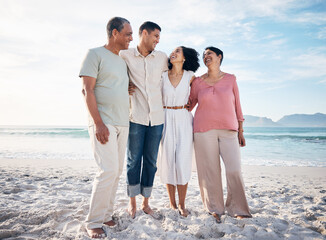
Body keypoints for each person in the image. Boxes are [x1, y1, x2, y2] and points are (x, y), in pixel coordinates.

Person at [79, 17, 133, 238]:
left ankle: (107, 215)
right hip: (104, 122)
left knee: (117, 172)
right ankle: (93, 221)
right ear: (114, 33)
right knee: (107, 171)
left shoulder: (122, 61)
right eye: (128, 34)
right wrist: (99, 123)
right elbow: (87, 90)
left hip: (123, 121)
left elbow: (118, 86)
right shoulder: (94, 54)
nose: (131, 38)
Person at [189, 46, 252, 223]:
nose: (206, 56)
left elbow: (237, 105)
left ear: (219, 57)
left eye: (209, 53)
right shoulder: (197, 82)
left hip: (229, 130)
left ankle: (238, 208)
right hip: (203, 130)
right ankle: (214, 208)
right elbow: (188, 104)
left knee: (234, 169)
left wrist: (241, 129)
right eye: (204, 55)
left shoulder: (231, 79)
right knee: (210, 171)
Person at [119, 21, 168, 219]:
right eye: (155, 36)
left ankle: (146, 203)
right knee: (133, 161)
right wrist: (124, 85)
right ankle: (132, 203)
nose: (158, 40)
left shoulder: (163, 57)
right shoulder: (125, 55)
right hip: (136, 116)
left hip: (157, 118)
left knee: (151, 162)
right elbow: (113, 74)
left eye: (159, 38)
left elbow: (177, 74)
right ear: (144, 33)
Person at [158, 46, 199, 217]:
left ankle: (182, 204)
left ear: (184, 58)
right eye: (173, 51)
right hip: (165, 116)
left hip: (183, 118)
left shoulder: (190, 77)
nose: (173, 53)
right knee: (168, 160)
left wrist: (193, 105)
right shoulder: (162, 76)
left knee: (182, 161)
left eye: (178, 51)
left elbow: (198, 95)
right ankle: (172, 203)